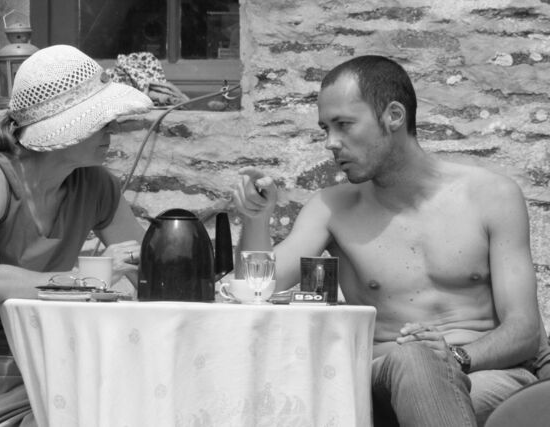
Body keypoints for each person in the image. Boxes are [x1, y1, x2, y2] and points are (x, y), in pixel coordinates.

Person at [233, 55, 547, 426]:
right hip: (382, 377)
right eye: (325, 129)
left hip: (484, 373)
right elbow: (254, 287)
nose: (331, 143)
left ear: (394, 116)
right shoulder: (332, 208)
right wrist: (256, 219)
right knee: (414, 358)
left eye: (344, 125)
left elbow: (524, 329)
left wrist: (456, 358)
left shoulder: (492, 196)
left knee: (426, 366)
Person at [0, 44, 153, 426]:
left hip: (39, 361)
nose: (113, 129)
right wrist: (86, 280)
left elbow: (157, 275)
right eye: (101, 120)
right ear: (67, 127)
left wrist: (245, 220)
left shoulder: (97, 186)